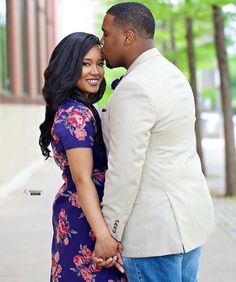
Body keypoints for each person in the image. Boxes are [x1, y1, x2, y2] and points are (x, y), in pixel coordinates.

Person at [93, 2, 215, 281]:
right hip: (188, 225)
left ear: (128, 37)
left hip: (153, 236)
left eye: (106, 33)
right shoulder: (173, 74)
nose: (102, 42)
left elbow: (125, 170)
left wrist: (109, 234)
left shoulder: (135, 87)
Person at [39, 32, 126, 282]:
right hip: (85, 216)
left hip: (87, 211)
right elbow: (82, 179)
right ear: (68, 66)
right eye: (86, 63)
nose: (95, 71)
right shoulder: (75, 115)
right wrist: (103, 236)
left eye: (99, 63)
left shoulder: (81, 108)